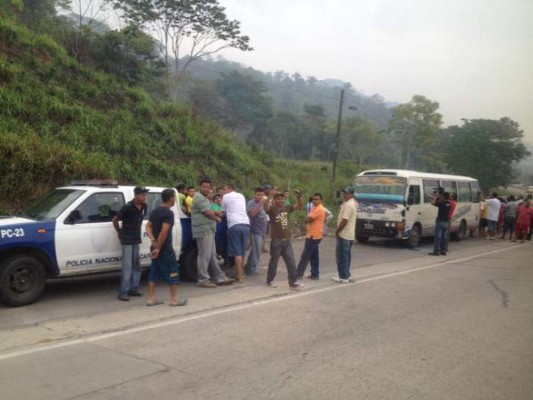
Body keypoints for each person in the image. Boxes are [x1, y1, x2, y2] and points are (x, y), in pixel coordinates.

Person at [145, 189, 187, 306]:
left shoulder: (155, 211)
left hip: (154, 247)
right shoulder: (168, 213)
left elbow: (148, 227)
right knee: (172, 271)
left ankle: (151, 299)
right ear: (171, 198)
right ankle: (174, 300)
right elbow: (164, 232)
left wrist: (153, 241)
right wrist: (158, 247)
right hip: (164, 248)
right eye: (175, 197)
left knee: (154, 272)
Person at [191, 179, 235, 288]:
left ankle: (219, 277)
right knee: (204, 255)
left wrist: (216, 212)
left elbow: (210, 210)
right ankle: (202, 280)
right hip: (203, 230)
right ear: (200, 187)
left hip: (209, 230)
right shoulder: (198, 197)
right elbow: (206, 212)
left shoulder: (205, 198)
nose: (206, 189)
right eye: (204, 187)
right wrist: (217, 218)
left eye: (208, 187)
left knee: (212, 255)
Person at [112, 186, 148, 301]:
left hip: (136, 239)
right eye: (142, 195)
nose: (144, 197)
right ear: (136, 195)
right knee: (127, 267)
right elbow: (115, 220)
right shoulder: (127, 207)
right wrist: (119, 232)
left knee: (136, 266)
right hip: (127, 239)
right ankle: (123, 292)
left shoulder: (144, 206)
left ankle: (134, 289)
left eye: (145, 195)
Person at [264, 190, 304, 289]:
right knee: (274, 262)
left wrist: (299, 197)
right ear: (275, 200)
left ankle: (293, 282)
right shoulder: (272, 209)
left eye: (282, 198)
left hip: (287, 240)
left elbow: (300, 206)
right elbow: (265, 207)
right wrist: (269, 196)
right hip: (276, 240)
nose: (280, 200)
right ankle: (270, 280)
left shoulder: (287, 208)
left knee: (291, 262)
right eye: (278, 198)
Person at [221, 184, 250, 282]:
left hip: (234, 225)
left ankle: (239, 275)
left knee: (237, 252)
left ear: (229, 188)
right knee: (242, 251)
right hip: (246, 224)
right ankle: (242, 273)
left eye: (224, 189)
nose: (224, 191)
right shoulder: (241, 195)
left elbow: (223, 211)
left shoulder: (226, 196)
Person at [296, 193, 326, 280]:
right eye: (313, 199)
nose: (315, 201)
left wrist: (306, 219)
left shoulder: (319, 209)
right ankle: (315, 274)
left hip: (313, 235)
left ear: (321, 200)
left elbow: (308, 219)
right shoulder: (315, 207)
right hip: (315, 234)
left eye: (317, 199)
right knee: (314, 256)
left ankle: (298, 273)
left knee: (305, 255)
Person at [332, 187, 358, 283]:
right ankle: (346, 274)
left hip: (344, 234)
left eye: (346, 193)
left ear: (351, 195)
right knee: (346, 255)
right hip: (349, 234)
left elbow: (345, 220)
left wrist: (338, 231)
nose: (344, 195)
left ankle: (343, 276)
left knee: (341, 256)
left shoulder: (348, 205)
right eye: (344, 193)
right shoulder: (352, 204)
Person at [244, 187, 268, 276]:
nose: (260, 196)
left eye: (261, 195)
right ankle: (251, 270)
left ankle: (249, 267)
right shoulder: (251, 203)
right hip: (254, 230)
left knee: (256, 251)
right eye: (258, 194)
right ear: (255, 194)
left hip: (262, 230)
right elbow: (252, 213)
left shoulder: (263, 203)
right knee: (256, 251)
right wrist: (261, 202)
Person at [428, 190, 451, 256]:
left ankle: (436, 251)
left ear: (443, 197)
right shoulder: (449, 203)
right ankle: (443, 251)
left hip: (440, 221)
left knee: (438, 237)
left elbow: (433, 203)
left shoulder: (441, 203)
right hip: (446, 222)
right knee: (444, 237)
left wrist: (434, 198)